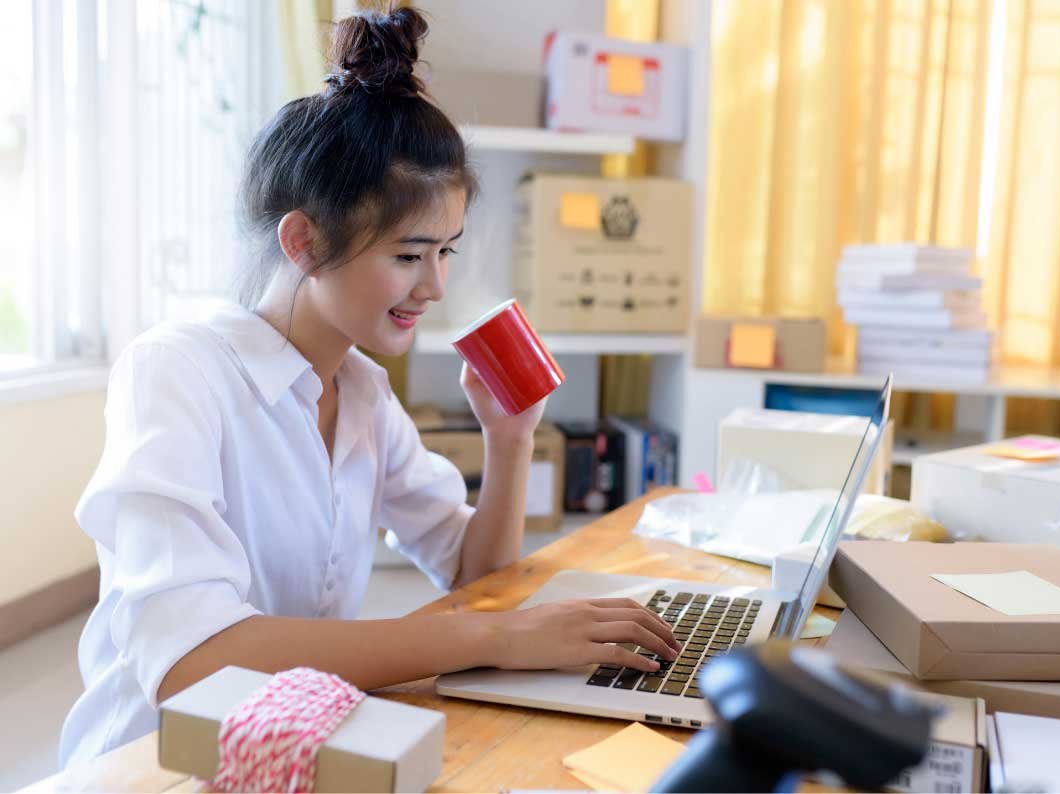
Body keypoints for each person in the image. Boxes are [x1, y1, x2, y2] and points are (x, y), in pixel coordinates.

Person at [58, 7, 680, 767]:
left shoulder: (361, 391)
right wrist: (483, 638)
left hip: (291, 742)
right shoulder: (177, 371)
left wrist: (509, 439)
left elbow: (473, 575)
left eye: (445, 252)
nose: (434, 287)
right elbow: (193, 664)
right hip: (154, 760)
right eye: (410, 254)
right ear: (303, 241)